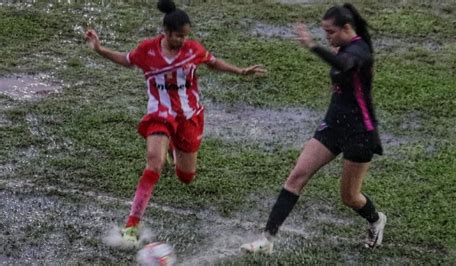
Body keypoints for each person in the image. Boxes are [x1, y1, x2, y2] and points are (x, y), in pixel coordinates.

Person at [85, 0, 265, 247]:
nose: (183, 41)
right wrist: (99, 49)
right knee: (154, 164)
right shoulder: (147, 51)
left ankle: (171, 148)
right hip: (160, 113)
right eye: (178, 36)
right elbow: (126, 60)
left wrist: (240, 71)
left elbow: (212, 62)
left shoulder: (193, 49)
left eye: (185, 36)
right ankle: (131, 226)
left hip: (190, 116)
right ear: (166, 32)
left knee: (186, 176)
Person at [241, 3, 386, 254]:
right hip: (332, 126)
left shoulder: (360, 51)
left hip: (359, 133)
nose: (327, 36)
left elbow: (345, 65)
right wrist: (330, 47)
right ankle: (267, 239)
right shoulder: (343, 46)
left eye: (330, 32)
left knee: (350, 197)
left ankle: (376, 220)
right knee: (296, 176)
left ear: (346, 28)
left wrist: (312, 45)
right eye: (324, 32)